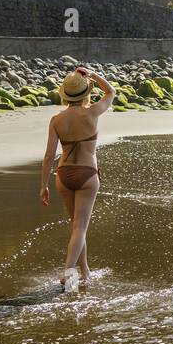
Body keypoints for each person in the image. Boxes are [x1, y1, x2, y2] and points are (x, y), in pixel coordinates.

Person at [40, 67, 116, 290]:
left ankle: (85, 271)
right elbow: (110, 92)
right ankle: (68, 272)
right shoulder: (92, 112)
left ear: (65, 94)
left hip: (63, 175)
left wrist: (43, 186)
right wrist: (92, 75)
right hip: (87, 174)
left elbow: (48, 156)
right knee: (80, 227)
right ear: (85, 93)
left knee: (76, 226)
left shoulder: (56, 119)